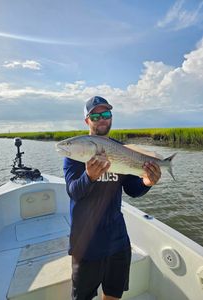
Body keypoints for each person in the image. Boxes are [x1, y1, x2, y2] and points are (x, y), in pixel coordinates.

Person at [63, 96, 161, 300]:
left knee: (113, 294)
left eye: (106, 114)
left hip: (118, 239)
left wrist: (147, 183)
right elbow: (74, 192)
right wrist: (89, 176)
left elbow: (132, 189)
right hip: (86, 242)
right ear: (87, 121)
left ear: (111, 117)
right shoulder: (76, 152)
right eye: (95, 115)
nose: (102, 119)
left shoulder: (121, 150)